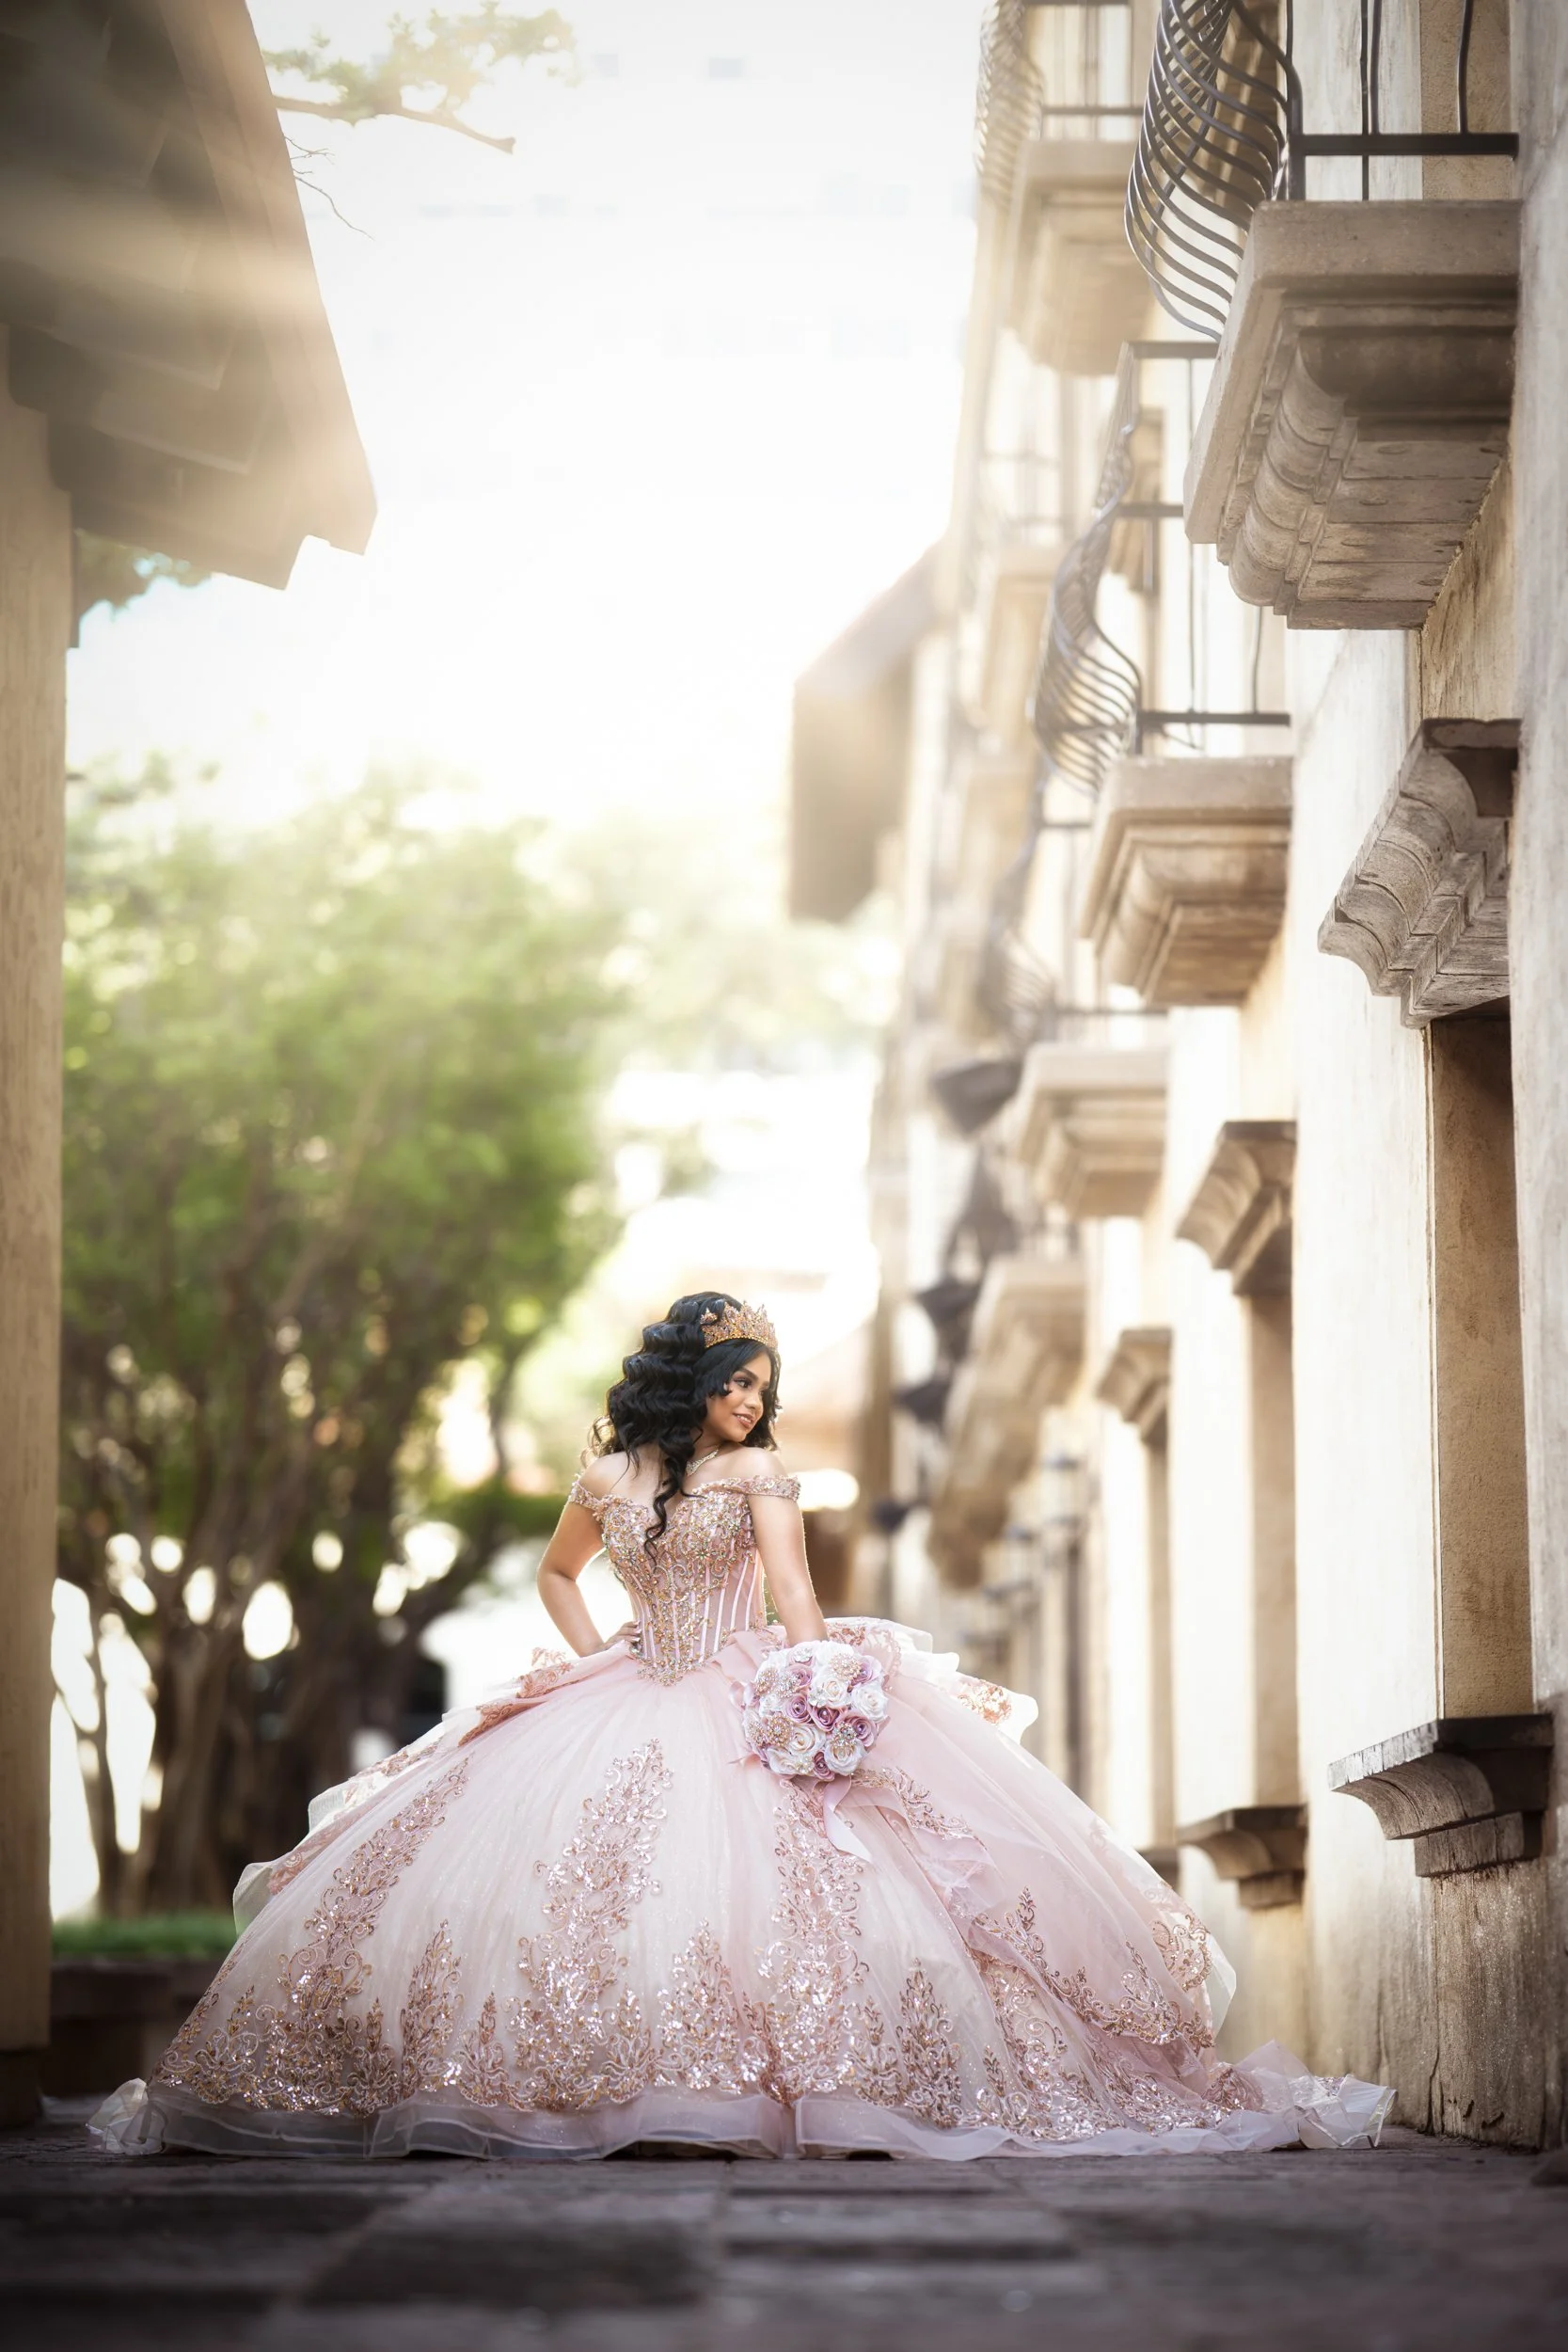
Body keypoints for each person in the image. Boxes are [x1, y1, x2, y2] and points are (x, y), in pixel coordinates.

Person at [92, 1293, 1391, 2160]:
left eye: (763, 1387)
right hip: (630, 1686)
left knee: (814, 1884)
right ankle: (589, 2089)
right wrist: (600, 1652)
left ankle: (774, 2093)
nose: (752, 1404)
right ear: (693, 1382)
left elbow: (796, 1594)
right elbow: (558, 1573)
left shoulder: (760, 1473)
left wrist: (822, 1686)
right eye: (737, 1385)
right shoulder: (606, 1477)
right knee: (566, 1882)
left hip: (749, 1684)